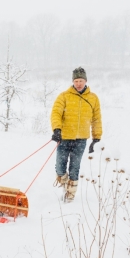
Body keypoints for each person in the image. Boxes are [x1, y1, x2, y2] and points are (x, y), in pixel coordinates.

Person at [50, 67, 102, 202]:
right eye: (76, 81)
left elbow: (96, 119)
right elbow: (56, 113)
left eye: (81, 80)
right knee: (60, 167)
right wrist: (57, 129)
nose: (78, 83)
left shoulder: (93, 98)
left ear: (85, 81)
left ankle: (70, 195)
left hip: (81, 140)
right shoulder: (64, 96)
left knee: (75, 168)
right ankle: (66, 184)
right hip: (64, 138)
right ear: (73, 81)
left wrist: (96, 138)